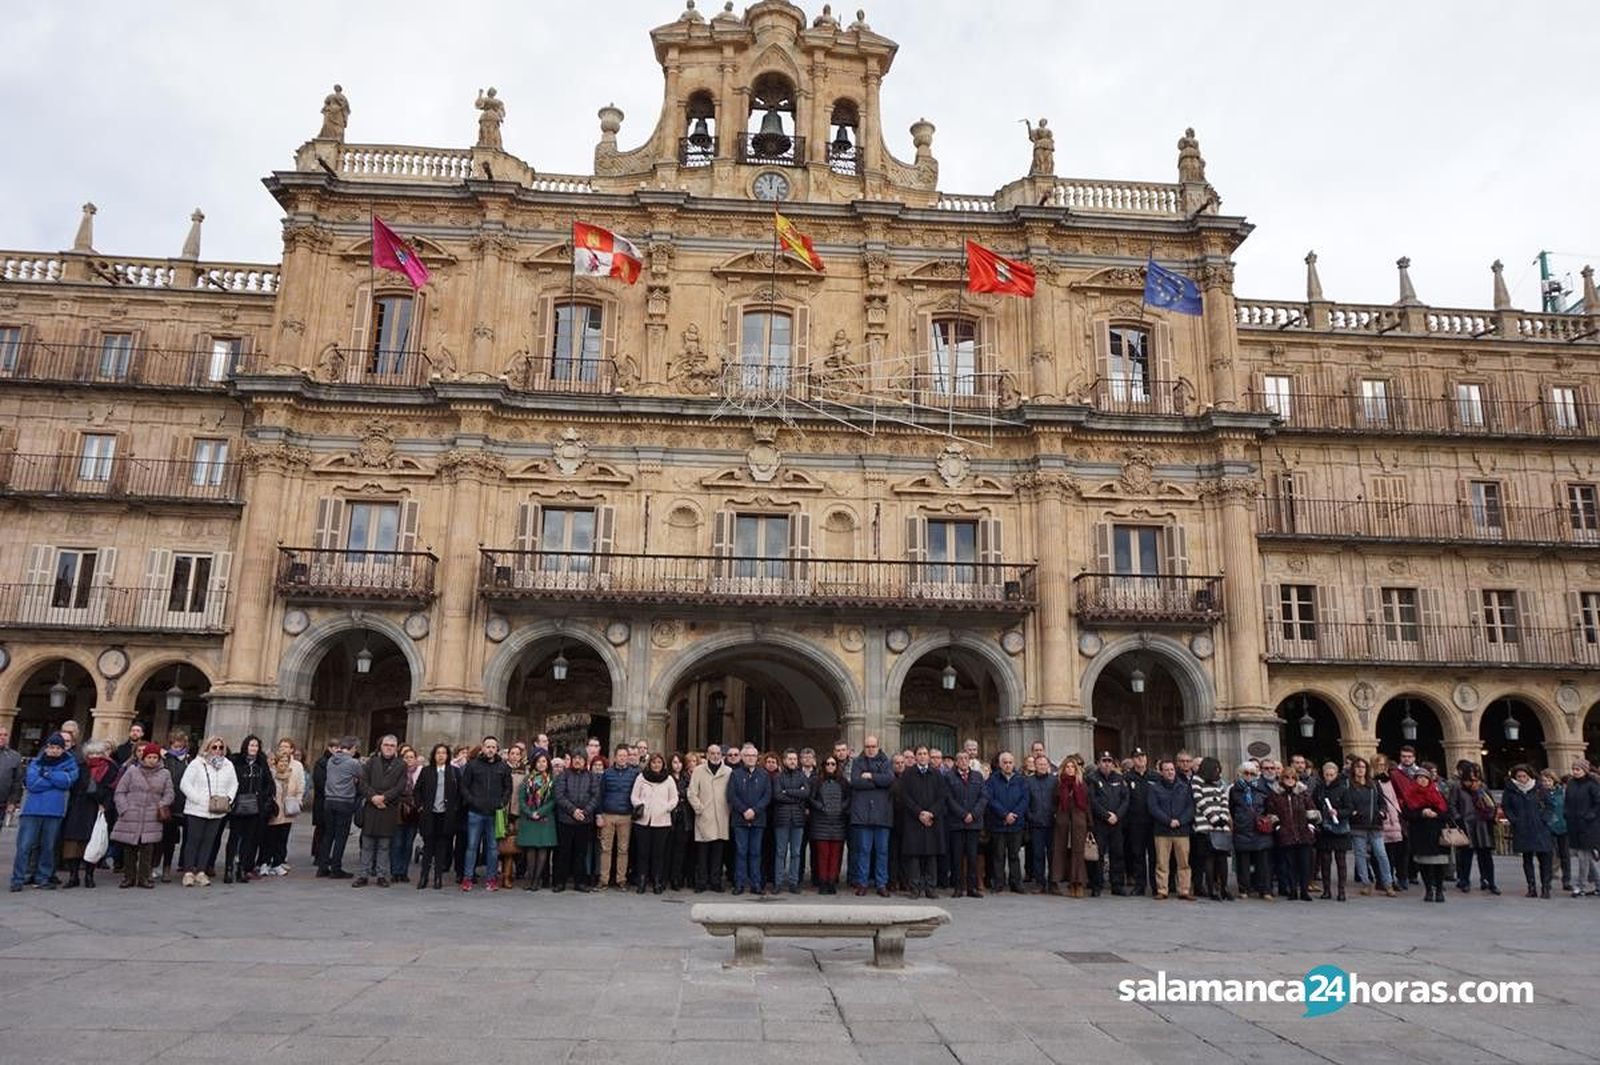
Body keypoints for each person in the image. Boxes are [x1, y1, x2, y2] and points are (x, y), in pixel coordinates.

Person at [9, 733, 78, 891]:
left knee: (48, 847)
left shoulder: (70, 763)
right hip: (31, 810)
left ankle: (43, 878)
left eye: (58, 748)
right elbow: (32, 784)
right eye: (51, 747)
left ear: (63, 749)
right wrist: (56, 780)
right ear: (46, 748)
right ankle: (18, 879)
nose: (54, 750)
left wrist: (48, 774)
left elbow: (67, 782)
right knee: (24, 846)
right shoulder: (36, 762)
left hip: (54, 811)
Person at [111, 743, 173, 889]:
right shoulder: (132, 771)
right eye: (149, 757)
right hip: (131, 814)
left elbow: (169, 793)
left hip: (152, 815)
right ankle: (129, 877)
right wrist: (124, 809)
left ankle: (144, 878)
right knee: (129, 848)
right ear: (143, 758)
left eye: (155, 757)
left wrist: (161, 804)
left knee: (147, 849)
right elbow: (120, 792)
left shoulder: (165, 773)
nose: (152, 760)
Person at [61, 739, 118, 889]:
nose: (94, 756)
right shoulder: (80, 767)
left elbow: (112, 789)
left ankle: (89, 875)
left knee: (93, 842)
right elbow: (73, 786)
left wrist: (105, 804)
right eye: (91, 753)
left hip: (97, 808)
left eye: (98, 753)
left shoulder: (110, 768)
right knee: (73, 843)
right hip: (78, 807)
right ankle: (73, 876)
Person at [178, 737, 236, 887]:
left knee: (209, 841)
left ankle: (201, 871)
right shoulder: (197, 763)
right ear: (207, 748)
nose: (217, 750)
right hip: (196, 809)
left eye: (221, 747)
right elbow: (185, 784)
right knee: (193, 840)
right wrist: (197, 799)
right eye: (214, 747)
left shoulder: (228, 765)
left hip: (217, 809)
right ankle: (188, 872)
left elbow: (233, 784)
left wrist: (228, 799)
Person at [459, 736, 512, 891]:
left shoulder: (503, 767)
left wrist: (502, 802)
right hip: (475, 812)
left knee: (493, 848)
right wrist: (472, 801)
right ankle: (467, 878)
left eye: (493, 747)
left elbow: (508, 788)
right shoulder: (472, 765)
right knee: (472, 846)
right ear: (482, 748)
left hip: (494, 813)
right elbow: (464, 786)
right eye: (488, 746)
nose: (490, 750)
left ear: (497, 749)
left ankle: (491, 879)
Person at [352, 734, 406, 888]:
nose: (388, 748)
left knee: (384, 845)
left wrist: (384, 797)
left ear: (396, 748)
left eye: (392, 746)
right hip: (371, 807)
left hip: (388, 808)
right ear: (380, 746)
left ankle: (382, 875)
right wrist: (373, 797)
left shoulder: (401, 765)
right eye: (386, 745)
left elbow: (400, 786)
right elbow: (363, 783)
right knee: (367, 844)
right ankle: (363, 875)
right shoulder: (371, 762)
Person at [895, 746, 945, 900]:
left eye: (925, 754)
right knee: (914, 857)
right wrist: (919, 813)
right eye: (919, 754)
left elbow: (942, 797)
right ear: (915, 757)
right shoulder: (908, 774)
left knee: (931, 856)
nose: (922, 756)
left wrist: (931, 813)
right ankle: (914, 888)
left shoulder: (936, 774)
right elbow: (905, 796)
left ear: (929, 757)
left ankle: (930, 888)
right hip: (914, 820)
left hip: (932, 821)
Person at [221, 735, 272, 885]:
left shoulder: (261, 763)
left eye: (256, 746)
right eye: (251, 745)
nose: (253, 748)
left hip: (255, 807)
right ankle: (229, 868)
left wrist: (263, 799)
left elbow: (268, 783)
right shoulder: (236, 762)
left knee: (249, 839)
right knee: (234, 838)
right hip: (238, 805)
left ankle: (242, 868)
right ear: (245, 746)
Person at [1500, 763, 1554, 899]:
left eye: (1524, 776)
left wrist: (1544, 819)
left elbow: (1550, 805)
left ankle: (1545, 887)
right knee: (1527, 858)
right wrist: (1514, 820)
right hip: (1522, 827)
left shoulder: (1539, 788)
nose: (1522, 779)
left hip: (1539, 827)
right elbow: (1506, 807)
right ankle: (1531, 887)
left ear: (1529, 775)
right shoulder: (1510, 789)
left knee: (1544, 858)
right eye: (1519, 776)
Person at [848, 735, 893, 897]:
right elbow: (855, 782)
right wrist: (878, 782)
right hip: (862, 815)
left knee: (882, 852)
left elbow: (889, 780)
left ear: (878, 747)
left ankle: (881, 884)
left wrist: (871, 776)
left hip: (882, 815)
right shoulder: (857, 762)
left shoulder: (886, 762)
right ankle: (862, 883)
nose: (870, 749)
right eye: (868, 746)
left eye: (873, 746)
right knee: (863, 851)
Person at [1446, 761, 1500, 895]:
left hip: (1482, 824)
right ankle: (1464, 880)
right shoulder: (1457, 787)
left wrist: (1491, 816)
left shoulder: (1483, 787)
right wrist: (1458, 819)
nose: (1474, 777)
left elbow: (1491, 804)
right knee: (1466, 855)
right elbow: (1452, 805)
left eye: (1476, 773)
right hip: (1466, 823)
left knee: (1485, 855)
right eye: (1471, 773)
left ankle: (1489, 881)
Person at [1146, 758, 1194, 901]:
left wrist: (1180, 821)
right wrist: (1168, 821)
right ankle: (1162, 890)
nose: (1170, 772)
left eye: (1172, 769)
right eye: (1166, 770)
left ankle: (1184, 890)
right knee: (1162, 863)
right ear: (1161, 772)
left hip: (1181, 830)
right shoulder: (1154, 788)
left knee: (1184, 863)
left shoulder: (1184, 787)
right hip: (1162, 830)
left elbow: (1190, 807)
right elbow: (1153, 808)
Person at [1345, 757, 1395, 896]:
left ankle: (1388, 883)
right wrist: (1353, 812)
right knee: (1361, 855)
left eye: (1363, 767)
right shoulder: (1349, 786)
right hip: (1358, 825)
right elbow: (1347, 803)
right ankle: (1366, 883)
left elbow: (1382, 802)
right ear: (1353, 769)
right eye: (1358, 767)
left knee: (1381, 854)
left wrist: (1382, 812)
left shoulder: (1374, 784)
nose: (1360, 770)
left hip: (1375, 825)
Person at [727, 743, 772, 896]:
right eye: (747, 755)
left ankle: (756, 884)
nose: (750, 758)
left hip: (758, 820)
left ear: (757, 758)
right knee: (740, 852)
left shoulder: (764, 775)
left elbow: (767, 796)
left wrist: (754, 810)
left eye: (753, 756)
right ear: (742, 757)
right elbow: (731, 795)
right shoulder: (735, 774)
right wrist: (744, 810)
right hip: (740, 820)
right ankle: (739, 884)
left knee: (755, 852)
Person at [553, 747, 599, 891]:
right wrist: (573, 810)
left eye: (580, 758)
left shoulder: (592, 776)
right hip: (566, 820)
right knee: (563, 852)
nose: (577, 760)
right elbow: (559, 796)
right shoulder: (563, 775)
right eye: (575, 758)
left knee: (581, 853)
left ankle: (580, 882)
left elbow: (595, 796)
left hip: (584, 820)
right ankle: (560, 882)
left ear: (585, 760)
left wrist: (585, 812)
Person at [631, 753, 678, 894]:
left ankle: (657, 881)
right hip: (643, 821)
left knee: (658, 854)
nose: (656, 765)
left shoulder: (669, 779)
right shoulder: (641, 777)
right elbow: (634, 796)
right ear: (649, 764)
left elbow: (674, 799)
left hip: (662, 821)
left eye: (659, 762)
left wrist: (666, 808)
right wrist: (640, 805)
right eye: (653, 762)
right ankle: (642, 880)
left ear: (663, 764)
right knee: (643, 853)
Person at [1266, 765, 1314, 901]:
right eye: (1287, 777)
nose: (1290, 780)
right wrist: (1278, 828)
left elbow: (1311, 810)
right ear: (1282, 778)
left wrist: (1311, 826)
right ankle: (1292, 890)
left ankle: (1304, 891)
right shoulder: (1275, 794)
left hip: (1303, 833)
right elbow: (1271, 813)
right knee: (1289, 864)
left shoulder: (1303, 793)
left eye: (1293, 777)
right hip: (1286, 833)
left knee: (1305, 864)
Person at [982, 751, 1028, 893]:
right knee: (998, 855)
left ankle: (1016, 883)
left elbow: (1025, 799)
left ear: (1014, 763)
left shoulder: (1021, 780)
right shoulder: (992, 780)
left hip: (1016, 824)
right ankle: (999, 883)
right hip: (998, 824)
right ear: (1000, 764)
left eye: (1010, 762)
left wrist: (1014, 815)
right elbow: (990, 799)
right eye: (1005, 762)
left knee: (1014, 855)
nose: (1008, 765)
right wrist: (1004, 814)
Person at [415, 744, 460, 890]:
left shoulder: (453, 772)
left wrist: (454, 808)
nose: (441, 756)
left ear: (448, 756)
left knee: (441, 847)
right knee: (428, 846)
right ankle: (424, 876)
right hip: (429, 814)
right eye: (438, 753)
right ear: (434, 755)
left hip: (445, 815)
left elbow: (459, 792)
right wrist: (420, 806)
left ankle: (438, 877)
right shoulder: (426, 771)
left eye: (444, 753)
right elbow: (417, 790)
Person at [315, 737, 362, 879]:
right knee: (341, 836)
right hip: (344, 801)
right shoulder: (352, 762)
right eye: (355, 749)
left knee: (328, 834)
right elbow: (362, 776)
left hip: (329, 801)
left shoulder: (331, 760)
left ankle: (322, 867)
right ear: (352, 748)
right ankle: (336, 868)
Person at [687, 744, 730, 892]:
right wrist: (699, 808)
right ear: (707, 754)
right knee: (702, 853)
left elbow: (731, 793)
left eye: (718, 753)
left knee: (718, 852)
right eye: (712, 753)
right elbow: (691, 792)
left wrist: (729, 810)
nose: (715, 756)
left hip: (721, 817)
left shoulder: (728, 771)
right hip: (704, 816)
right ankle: (701, 882)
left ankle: (715, 881)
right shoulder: (698, 771)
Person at [1404, 766, 1450, 903]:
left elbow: (1447, 813)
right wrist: (1421, 813)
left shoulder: (1437, 794)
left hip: (1438, 834)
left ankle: (1439, 890)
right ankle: (1429, 889)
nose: (1423, 780)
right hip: (1420, 834)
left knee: (1439, 864)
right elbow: (1407, 814)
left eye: (1425, 778)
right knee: (1424, 863)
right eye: (1419, 778)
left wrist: (1436, 814)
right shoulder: (1410, 795)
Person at [1229, 761, 1273, 899]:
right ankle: (1244, 889)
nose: (1249, 776)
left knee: (1263, 862)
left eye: (1252, 774)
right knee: (1243, 862)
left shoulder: (1262, 789)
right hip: (1242, 828)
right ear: (1240, 774)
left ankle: (1265, 890)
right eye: (1246, 773)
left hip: (1260, 828)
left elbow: (1268, 807)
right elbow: (1231, 808)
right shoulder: (1234, 790)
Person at [808, 753, 851, 895]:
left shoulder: (843, 782)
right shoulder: (816, 781)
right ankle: (822, 882)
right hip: (821, 823)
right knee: (823, 855)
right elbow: (810, 798)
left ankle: (832, 882)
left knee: (835, 855)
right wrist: (821, 807)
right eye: (828, 764)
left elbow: (848, 798)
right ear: (823, 766)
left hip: (838, 823)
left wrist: (841, 807)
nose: (830, 766)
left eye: (833, 764)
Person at [597, 744, 639, 889]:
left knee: (623, 850)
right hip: (608, 815)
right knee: (605, 849)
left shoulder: (634, 774)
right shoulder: (607, 773)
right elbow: (600, 795)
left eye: (625, 756)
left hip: (626, 816)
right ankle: (604, 880)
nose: (622, 758)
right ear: (615, 757)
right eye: (620, 755)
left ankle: (621, 879)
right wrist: (599, 814)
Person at [1191, 756, 1232, 901]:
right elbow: (1199, 800)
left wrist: (1224, 818)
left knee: (1222, 859)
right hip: (1205, 825)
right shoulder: (1197, 780)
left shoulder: (1219, 782)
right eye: (1215, 768)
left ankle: (1224, 888)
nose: (1218, 771)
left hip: (1221, 826)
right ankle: (1212, 889)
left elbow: (1224, 800)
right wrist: (1213, 818)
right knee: (1209, 859)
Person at [516, 752, 557, 892]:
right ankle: (530, 878)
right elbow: (521, 799)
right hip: (529, 818)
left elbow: (553, 800)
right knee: (531, 849)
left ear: (548, 763)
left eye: (544, 761)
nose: (541, 764)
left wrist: (540, 812)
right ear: (534, 763)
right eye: (539, 762)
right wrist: (530, 812)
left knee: (542, 849)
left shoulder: (552, 780)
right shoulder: (528, 779)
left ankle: (537, 880)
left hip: (545, 818)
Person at [1311, 761, 1352, 901]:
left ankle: (1341, 891)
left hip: (1340, 829)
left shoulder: (1343, 789)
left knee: (1341, 861)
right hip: (1324, 828)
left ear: (1336, 774)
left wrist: (1338, 812)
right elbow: (1313, 805)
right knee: (1325, 861)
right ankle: (1326, 890)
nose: (1329, 777)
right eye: (1326, 774)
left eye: (1331, 775)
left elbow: (1349, 808)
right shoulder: (1319, 789)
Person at [260, 747, 304, 877]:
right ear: (276, 762)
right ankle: (264, 862)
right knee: (269, 839)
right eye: (281, 761)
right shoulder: (271, 775)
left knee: (282, 839)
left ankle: (277, 863)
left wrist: (298, 801)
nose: (284, 764)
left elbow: (298, 789)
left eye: (286, 761)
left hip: (287, 812)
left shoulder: (292, 775)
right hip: (274, 812)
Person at [771, 748, 810, 894]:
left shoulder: (802, 776)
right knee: (780, 852)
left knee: (796, 853)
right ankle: (778, 882)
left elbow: (805, 793)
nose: (793, 761)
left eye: (795, 759)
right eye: (790, 759)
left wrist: (787, 791)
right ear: (784, 760)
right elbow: (777, 795)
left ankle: (794, 882)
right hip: (782, 819)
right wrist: (796, 795)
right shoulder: (778, 777)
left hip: (798, 820)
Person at [1052, 756, 1091, 898]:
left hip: (1079, 822)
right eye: (1067, 767)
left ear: (1076, 769)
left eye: (1072, 767)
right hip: (1062, 822)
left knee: (1078, 852)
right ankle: (1058, 880)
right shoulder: (1059, 784)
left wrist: (1089, 823)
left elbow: (1087, 804)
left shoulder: (1082, 784)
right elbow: (1054, 802)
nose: (1070, 769)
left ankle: (1078, 882)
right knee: (1060, 850)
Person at [1122, 748, 1156, 895]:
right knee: (1138, 855)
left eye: (1142, 756)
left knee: (1154, 856)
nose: (1140, 759)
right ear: (1132, 760)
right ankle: (1139, 885)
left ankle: (1155, 886)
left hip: (1153, 822)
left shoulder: (1155, 776)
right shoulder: (1127, 778)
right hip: (1135, 823)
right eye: (1137, 757)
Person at [1565, 758, 1600, 896]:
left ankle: (1581, 886)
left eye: (1578, 769)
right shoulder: (1571, 784)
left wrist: (1590, 815)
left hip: (1589, 826)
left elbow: (1598, 803)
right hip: (1574, 824)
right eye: (1573, 769)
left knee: (1583, 857)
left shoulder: (1592, 784)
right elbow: (1567, 801)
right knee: (1586, 858)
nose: (1575, 772)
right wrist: (1566, 813)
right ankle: (1598, 884)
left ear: (1585, 770)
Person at [388, 745, 421, 884]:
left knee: (408, 844)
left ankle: (404, 871)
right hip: (398, 810)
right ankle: (395, 871)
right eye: (406, 757)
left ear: (415, 759)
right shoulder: (396, 772)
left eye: (411, 757)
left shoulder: (420, 773)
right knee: (397, 843)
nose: (409, 760)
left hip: (413, 811)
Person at [1024, 753, 1056, 894]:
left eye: (1044, 764)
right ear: (1035, 766)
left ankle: (1053, 882)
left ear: (1048, 766)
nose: (1042, 767)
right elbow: (1025, 801)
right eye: (1039, 764)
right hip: (1036, 824)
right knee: (1038, 854)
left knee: (1053, 855)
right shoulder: (1028, 781)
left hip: (1052, 823)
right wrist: (1030, 816)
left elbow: (1058, 800)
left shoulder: (1054, 781)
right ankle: (1039, 883)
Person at [667, 753, 694, 890]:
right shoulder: (667, 778)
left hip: (684, 816)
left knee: (681, 849)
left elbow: (690, 793)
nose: (677, 765)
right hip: (670, 816)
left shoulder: (687, 778)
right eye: (674, 762)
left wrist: (681, 794)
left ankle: (678, 877)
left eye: (679, 762)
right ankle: (669, 877)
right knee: (669, 849)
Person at [1541, 769, 1570, 894]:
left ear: (1554, 780)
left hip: (1563, 826)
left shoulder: (1562, 792)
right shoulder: (1540, 794)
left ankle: (1566, 880)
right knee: (1549, 855)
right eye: (1544, 781)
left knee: (1565, 855)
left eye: (1549, 780)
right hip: (1548, 827)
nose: (1546, 783)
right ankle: (1547, 881)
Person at [0, 725, 22, 836]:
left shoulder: (14, 757)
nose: (2, 737)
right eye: (0, 735)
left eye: (5, 735)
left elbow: (17, 782)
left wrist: (13, 802)